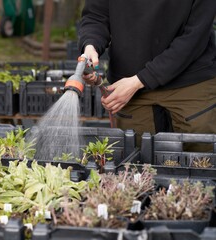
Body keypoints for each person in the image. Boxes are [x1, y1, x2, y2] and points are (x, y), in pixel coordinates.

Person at [78, 0, 216, 150]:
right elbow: (96, 16)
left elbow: (195, 36)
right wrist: (91, 45)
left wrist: (140, 80)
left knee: (201, 162)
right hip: (129, 88)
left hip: (190, 84)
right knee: (138, 164)